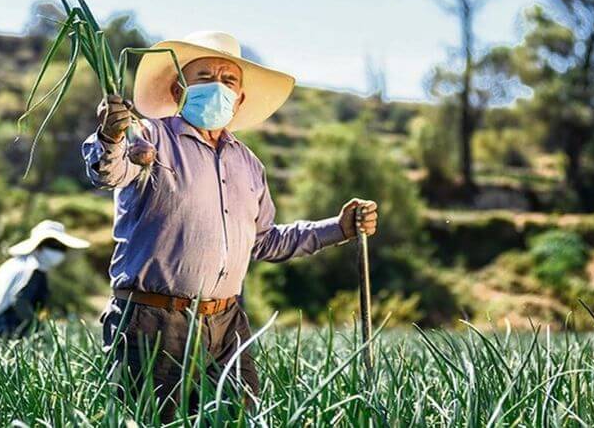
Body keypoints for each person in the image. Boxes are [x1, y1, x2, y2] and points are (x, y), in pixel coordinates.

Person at [82, 31, 378, 416]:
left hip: (225, 323)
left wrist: (338, 228)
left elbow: (266, 242)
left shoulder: (249, 165)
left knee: (241, 418)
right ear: (178, 89)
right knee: (152, 421)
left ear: (239, 100)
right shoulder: (151, 136)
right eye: (204, 77)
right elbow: (109, 171)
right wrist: (110, 135)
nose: (217, 87)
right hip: (152, 321)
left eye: (228, 80)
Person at [0, 220, 89, 337]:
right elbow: (20, 301)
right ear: (38, 247)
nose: (58, 252)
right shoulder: (31, 269)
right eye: (52, 246)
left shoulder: (18, 264)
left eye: (61, 247)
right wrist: (37, 327)